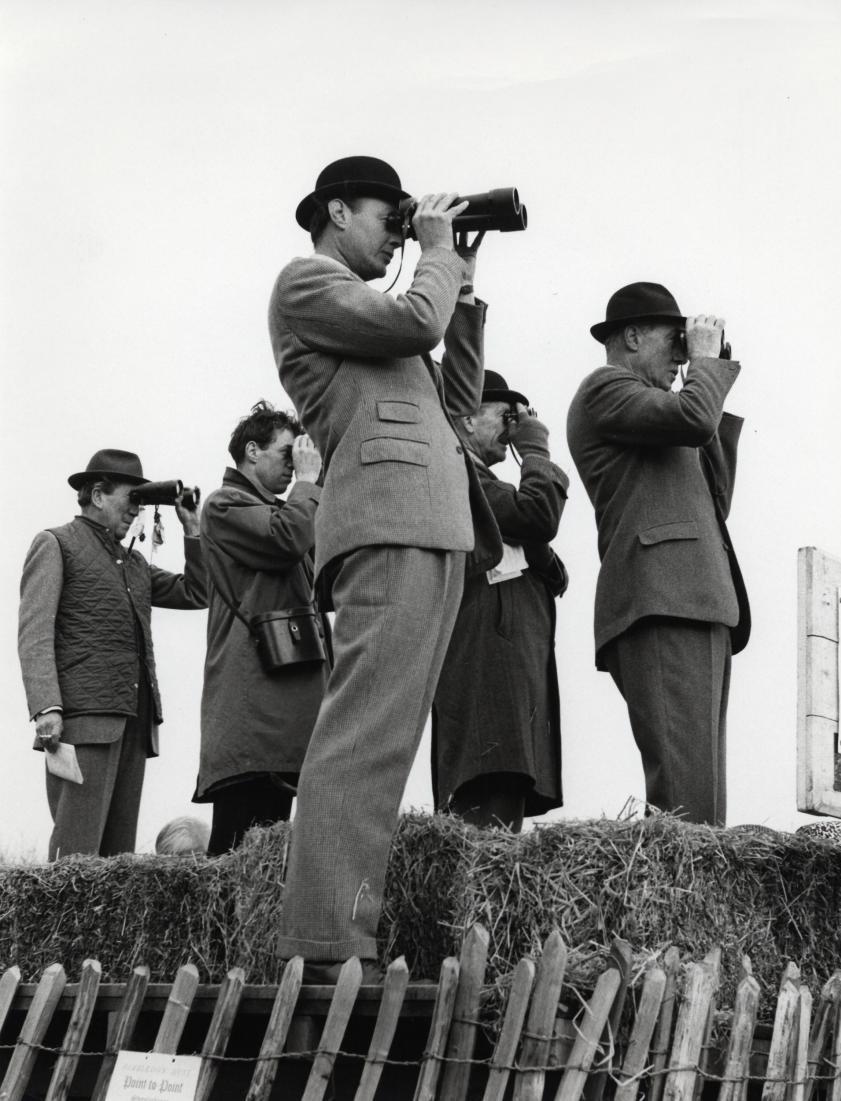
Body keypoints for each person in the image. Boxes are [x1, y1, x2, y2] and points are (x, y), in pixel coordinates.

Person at [268, 155, 501, 982]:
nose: (396, 231)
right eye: (385, 216)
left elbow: (458, 402)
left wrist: (461, 280)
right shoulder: (307, 283)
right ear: (336, 210)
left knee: (388, 740)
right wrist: (434, 249)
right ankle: (329, 942)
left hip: (432, 525)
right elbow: (414, 326)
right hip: (386, 521)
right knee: (362, 734)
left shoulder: (383, 308)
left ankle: (344, 931)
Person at [566, 283, 750, 827]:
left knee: (703, 798)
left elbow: (717, 496)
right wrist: (702, 370)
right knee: (685, 796)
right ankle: (682, 906)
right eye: (674, 342)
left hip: (699, 598)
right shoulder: (606, 389)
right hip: (662, 599)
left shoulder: (664, 412)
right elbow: (694, 418)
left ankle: (695, 909)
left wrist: (709, 368)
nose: (679, 356)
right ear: (631, 336)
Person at [17, 448, 207, 859]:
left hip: (133, 723)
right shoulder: (55, 544)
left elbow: (198, 592)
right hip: (83, 722)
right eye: (130, 498)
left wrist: (192, 528)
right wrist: (46, 706)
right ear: (98, 495)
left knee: (119, 863)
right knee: (77, 856)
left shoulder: (134, 564)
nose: (136, 510)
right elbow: (34, 632)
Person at [432, 370, 568, 832]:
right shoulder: (459, 470)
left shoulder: (486, 481)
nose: (514, 425)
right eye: (505, 415)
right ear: (467, 419)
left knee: (503, 799)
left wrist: (538, 549)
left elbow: (546, 560)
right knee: (488, 803)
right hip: (489, 667)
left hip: (505, 665)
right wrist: (535, 448)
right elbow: (536, 516)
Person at [193, 401, 331, 855]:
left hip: (281, 712)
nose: (294, 468)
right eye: (286, 454)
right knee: (235, 854)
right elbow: (286, 539)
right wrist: (309, 483)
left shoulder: (285, 508)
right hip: (252, 714)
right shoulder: (224, 504)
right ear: (252, 451)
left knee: (268, 860)